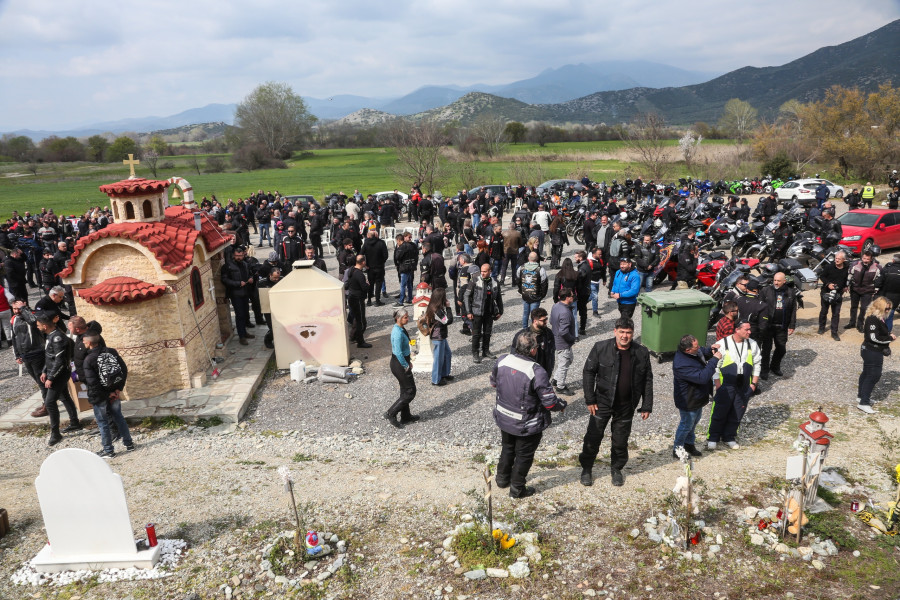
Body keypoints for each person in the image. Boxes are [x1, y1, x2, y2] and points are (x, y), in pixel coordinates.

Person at [490, 330, 567, 498]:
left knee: (508, 448)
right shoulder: (536, 371)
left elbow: (493, 383)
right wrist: (562, 404)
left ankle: (502, 479)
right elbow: (550, 402)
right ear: (533, 350)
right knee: (524, 455)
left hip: (504, 417)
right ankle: (517, 489)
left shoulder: (502, 360)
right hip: (527, 423)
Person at [579, 317, 653, 487]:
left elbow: (647, 379)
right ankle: (587, 469)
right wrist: (590, 399)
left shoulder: (641, 352)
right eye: (621, 332)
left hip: (627, 405)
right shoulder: (600, 347)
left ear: (633, 333)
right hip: (601, 403)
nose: (625, 336)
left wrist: (647, 404)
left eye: (628, 332)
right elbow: (588, 372)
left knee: (620, 441)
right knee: (593, 437)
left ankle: (616, 469)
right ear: (615, 332)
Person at [82, 325, 135, 457]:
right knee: (119, 417)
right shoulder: (112, 352)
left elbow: (93, 383)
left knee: (103, 422)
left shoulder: (88, 360)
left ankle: (108, 450)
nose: (83, 343)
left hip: (100, 396)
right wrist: (118, 390)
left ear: (89, 343)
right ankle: (129, 444)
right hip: (115, 392)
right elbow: (123, 370)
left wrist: (106, 394)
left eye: (83, 341)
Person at [707, 320, 761, 450]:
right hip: (726, 384)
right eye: (747, 329)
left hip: (744, 385)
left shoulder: (752, 344)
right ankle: (713, 437)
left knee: (738, 411)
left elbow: (757, 364)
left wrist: (753, 383)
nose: (750, 332)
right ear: (737, 330)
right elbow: (715, 366)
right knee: (720, 411)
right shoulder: (722, 344)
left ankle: (729, 437)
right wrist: (718, 384)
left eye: (750, 329)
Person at [35, 312, 82, 446]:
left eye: (38, 325)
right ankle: (75, 422)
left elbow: (60, 361)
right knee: (65, 397)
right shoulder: (50, 335)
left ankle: (55, 433)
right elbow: (49, 356)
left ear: (45, 326)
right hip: (53, 372)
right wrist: (45, 371)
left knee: (50, 402)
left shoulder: (58, 338)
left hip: (59, 374)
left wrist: (51, 377)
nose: (37, 327)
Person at [672, 335, 721, 458]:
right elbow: (702, 377)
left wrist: (710, 349)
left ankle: (689, 444)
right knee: (686, 425)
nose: (699, 348)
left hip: (697, 396)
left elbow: (702, 352)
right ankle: (677, 449)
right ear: (688, 350)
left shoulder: (692, 352)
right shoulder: (681, 364)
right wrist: (715, 360)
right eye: (696, 346)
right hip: (688, 400)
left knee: (694, 423)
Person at [856, 297, 896, 414]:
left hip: (870, 350)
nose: (888, 311)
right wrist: (889, 338)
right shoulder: (873, 319)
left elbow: (877, 334)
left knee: (866, 373)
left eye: (889, 308)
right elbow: (873, 337)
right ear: (879, 308)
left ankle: (861, 396)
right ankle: (864, 402)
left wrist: (887, 334)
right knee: (874, 375)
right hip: (872, 351)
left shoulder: (879, 318)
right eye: (886, 308)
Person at [11, 299, 49, 417]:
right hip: (25, 354)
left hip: (36, 352)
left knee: (42, 380)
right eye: (15, 309)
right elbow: (14, 337)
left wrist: (24, 309)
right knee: (38, 381)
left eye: (19, 308)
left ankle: (47, 406)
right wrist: (17, 354)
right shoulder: (14, 319)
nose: (17, 311)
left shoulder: (32, 316)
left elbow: (33, 322)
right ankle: (47, 402)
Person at [759, 271, 797, 379]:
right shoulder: (765, 291)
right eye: (774, 280)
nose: (776, 283)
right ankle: (764, 370)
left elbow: (793, 310)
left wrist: (792, 325)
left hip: (782, 326)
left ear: (784, 281)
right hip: (768, 326)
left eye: (778, 281)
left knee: (781, 349)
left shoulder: (790, 292)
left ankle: (775, 366)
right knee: (766, 349)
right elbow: (759, 308)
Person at [385, 308, 418, 428]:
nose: (407, 319)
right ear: (398, 318)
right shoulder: (398, 332)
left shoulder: (399, 328)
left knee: (404, 390)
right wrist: (406, 365)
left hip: (399, 362)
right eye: (405, 317)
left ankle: (406, 415)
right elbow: (398, 352)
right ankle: (391, 413)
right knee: (410, 391)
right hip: (399, 364)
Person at [464, 262, 503, 364]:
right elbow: (466, 296)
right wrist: (468, 311)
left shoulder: (495, 282)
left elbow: (498, 297)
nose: (482, 273)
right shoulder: (475, 281)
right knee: (476, 334)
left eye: (485, 271)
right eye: (481, 271)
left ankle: (486, 351)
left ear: (490, 271)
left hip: (489, 312)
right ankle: (475, 353)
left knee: (487, 333)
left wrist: (500, 311)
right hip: (476, 312)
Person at [221, 246, 255, 345]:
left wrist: (250, 279)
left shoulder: (245, 264)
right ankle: (241, 336)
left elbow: (250, 274)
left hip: (245, 292)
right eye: (237, 256)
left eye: (241, 256)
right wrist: (237, 283)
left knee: (245, 314)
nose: (239, 257)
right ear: (233, 255)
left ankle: (244, 332)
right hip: (236, 294)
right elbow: (224, 279)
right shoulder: (228, 266)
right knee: (239, 315)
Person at [423, 287, 454, 386]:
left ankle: (444, 374)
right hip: (438, 337)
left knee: (447, 354)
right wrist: (448, 307)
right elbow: (448, 321)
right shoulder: (437, 310)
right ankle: (436, 379)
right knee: (438, 358)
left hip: (441, 336)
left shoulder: (434, 307)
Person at [847, 250, 884, 333]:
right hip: (855, 289)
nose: (865, 260)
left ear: (871, 259)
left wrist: (876, 290)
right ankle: (852, 322)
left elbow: (880, 280)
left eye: (867, 259)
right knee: (853, 307)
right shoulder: (855, 264)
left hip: (868, 290)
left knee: (864, 308)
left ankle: (860, 324)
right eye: (864, 258)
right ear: (861, 257)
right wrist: (847, 285)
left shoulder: (877, 267)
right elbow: (849, 275)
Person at [511, 307, 555, 376]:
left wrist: (550, 368)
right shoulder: (522, 336)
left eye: (546, 319)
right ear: (535, 321)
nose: (546, 322)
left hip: (543, 372)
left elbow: (552, 352)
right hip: (528, 373)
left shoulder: (548, 333)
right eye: (543, 320)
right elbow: (514, 355)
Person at [550, 288, 577, 396]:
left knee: (567, 360)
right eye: (572, 295)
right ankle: (560, 386)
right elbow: (564, 331)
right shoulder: (565, 312)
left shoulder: (556, 306)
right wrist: (572, 338)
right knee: (564, 363)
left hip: (557, 340)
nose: (573, 297)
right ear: (567, 298)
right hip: (563, 343)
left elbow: (552, 321)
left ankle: (556, 379)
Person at [818, 251, 849, 340]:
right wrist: (828, 284)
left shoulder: (846, 269)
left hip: (838, 294)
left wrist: (846, 286)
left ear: (844, 260)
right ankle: (821, 327)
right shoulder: (829, 267)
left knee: (836, 314)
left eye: (839, 259)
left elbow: (847, 279)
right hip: (826, 292)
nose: (836, 260)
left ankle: (834, 332)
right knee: (824, 311)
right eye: (836, 258)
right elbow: (822, 277)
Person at [344, 255, 371, 348]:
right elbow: (364, 288)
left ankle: (355, 337)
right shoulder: (359, 274)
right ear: (363, 262)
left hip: (352, 298)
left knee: (357, 320)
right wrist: (367, 284)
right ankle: (360, 341)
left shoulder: (351, 270)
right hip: (357, 299)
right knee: (361, 322)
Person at [517, 252, 548, 328]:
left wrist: (521, 291)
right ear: (537, 259)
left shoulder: (521, 268)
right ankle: (534, 329)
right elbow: (544, 284)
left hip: (525, 294)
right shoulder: (541, 270)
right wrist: (542, 295)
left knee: (525, 314)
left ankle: (524, 329)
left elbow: (518, 281)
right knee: (535, 315)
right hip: (535, 296)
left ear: (528, 258)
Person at [361, 230, 389, 306]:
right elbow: (386, 255)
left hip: (370, 267)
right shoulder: (381, 243)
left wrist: (364, 264)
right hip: (379, 267)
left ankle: (369, 300)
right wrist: (381, 262)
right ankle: (377, 300)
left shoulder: (366, 243)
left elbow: (361, 254)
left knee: (370, 284)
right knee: (378, 284)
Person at [880, 254, 900, 331]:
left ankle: (881, 333)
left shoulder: (887, 269)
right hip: (896, 299)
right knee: (890, 317)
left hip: (885, 296)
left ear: (893, 260)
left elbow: (879, 283)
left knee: (882, 316)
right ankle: (887, 334)